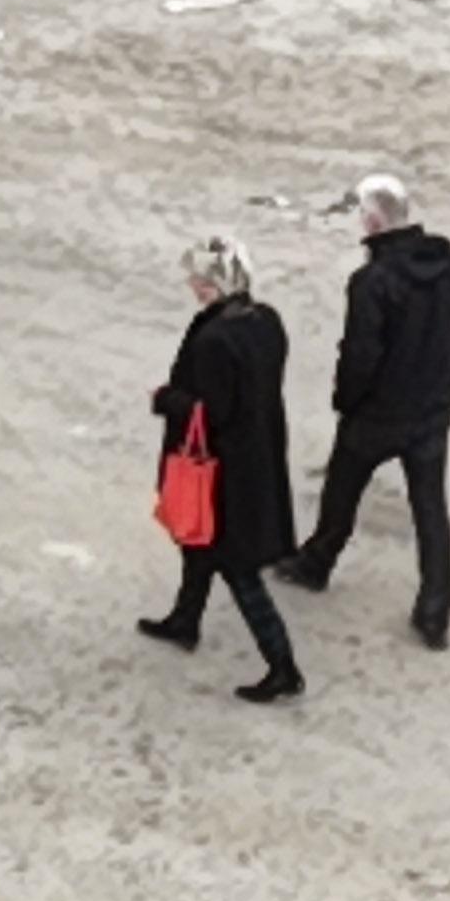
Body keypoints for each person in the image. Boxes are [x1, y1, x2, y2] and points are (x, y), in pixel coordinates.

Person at [285, 171, 450, 646]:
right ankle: (436, 610)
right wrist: (445, 384)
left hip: (379, 412)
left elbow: (360, 354)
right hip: (431, 410)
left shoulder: (372, 280)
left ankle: (317, 562)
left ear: (372, 221)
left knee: (344, 485)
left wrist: (346, 401)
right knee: (430, 507)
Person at [142, 237, 303, 702]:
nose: (191, 285)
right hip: (256, 459)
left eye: (196, 278)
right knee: (200, 546)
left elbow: (210, 412)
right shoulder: (266, 321)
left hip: (221, 472)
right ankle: (185, 620)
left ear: (211, 284)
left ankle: (283, 666)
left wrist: (165, 400)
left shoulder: (214, 339)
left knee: (237, 568)